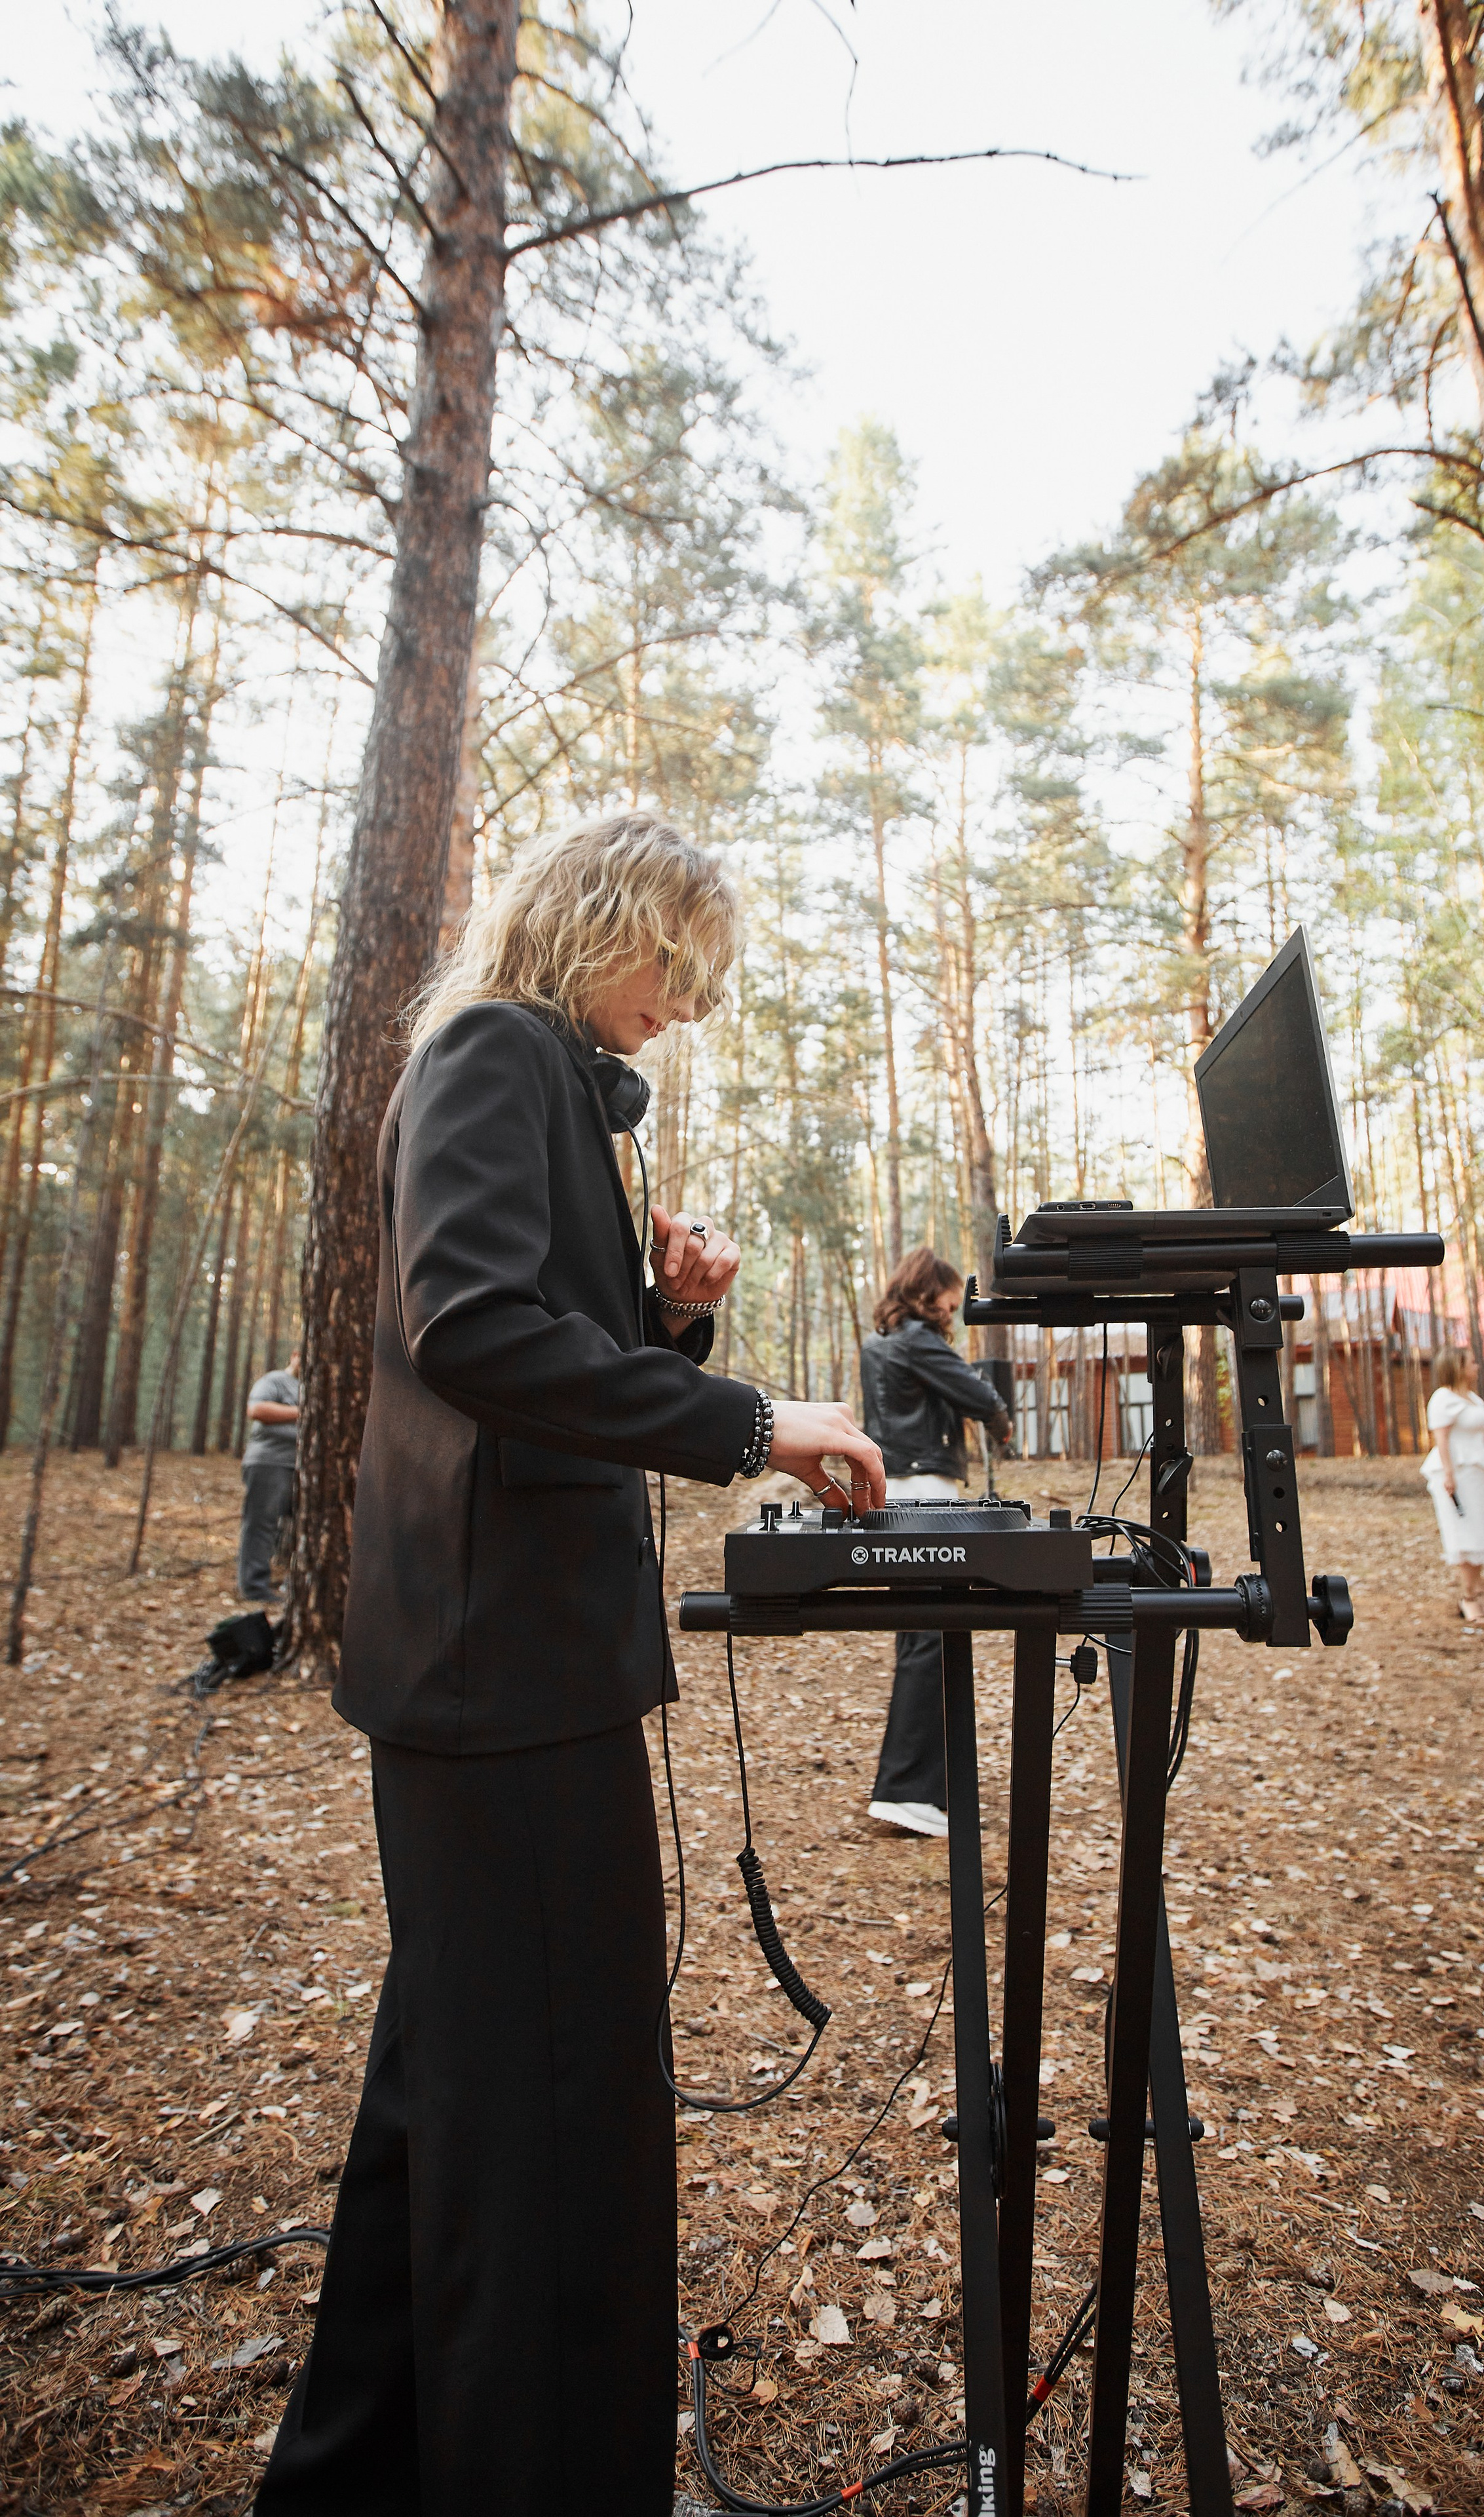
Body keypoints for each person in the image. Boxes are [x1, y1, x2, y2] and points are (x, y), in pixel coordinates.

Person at [254, 813, 884, 2517]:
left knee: (449, 2108)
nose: (685, 1006)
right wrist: (752, 1418)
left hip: (521, 1669)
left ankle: (356, 2470)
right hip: (500, 1682)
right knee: (543, 2127)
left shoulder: (543, 1071)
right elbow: (466, 1326)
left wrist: (664, 1317)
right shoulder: (489, 1051)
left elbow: (542, 1347)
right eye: (674, 968)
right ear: (597, 922)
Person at [858, 1246, 1014, 1838]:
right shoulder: (918, 1340)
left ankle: (929, 1785)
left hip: (899, 1492)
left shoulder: (885, 1342)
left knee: (924, 1632)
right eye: (949, 1295)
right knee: (929, 1635)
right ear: (929, 1291)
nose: (954, 1305)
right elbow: (977, 1395)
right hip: (924, 1492)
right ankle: (906, 1792)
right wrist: (1000, 1420)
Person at [1420, 1347, 1484, 1624]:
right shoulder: (1443, 1398)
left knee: (1480, 1533)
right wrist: (1449, 1474)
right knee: (1465, 1535)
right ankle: (1468, 1598)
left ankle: (1478, 1593)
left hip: (1478, 1471)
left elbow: (1470, 1433)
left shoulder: (1472, 1398)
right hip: (1457, 1475)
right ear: (1457, 1367)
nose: (1477, 1366)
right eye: (1472, 1362)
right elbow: (1442, 1439)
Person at [238, 1346, 300, 1604]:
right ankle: (254, 1588)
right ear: (295, 1355)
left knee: (305, 1525)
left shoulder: (318, 1384)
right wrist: (305, 1411)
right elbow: (257, 1410)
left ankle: (294, 1585)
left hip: (300, 1468)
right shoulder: (275, 1381)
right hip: (269, 1462)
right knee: (262, 1525)